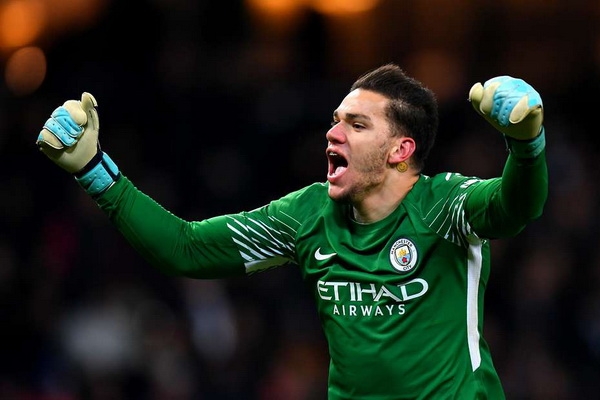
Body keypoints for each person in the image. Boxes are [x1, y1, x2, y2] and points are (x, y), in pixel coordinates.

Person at [36, 63, 548, 399]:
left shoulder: (444, 205)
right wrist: (95, 172)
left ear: (401, 150)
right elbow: (186, 249)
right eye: (336, 120)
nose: (333, 132)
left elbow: (515, 205)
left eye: (357, 125)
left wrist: (527, 145)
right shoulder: (307, 215)